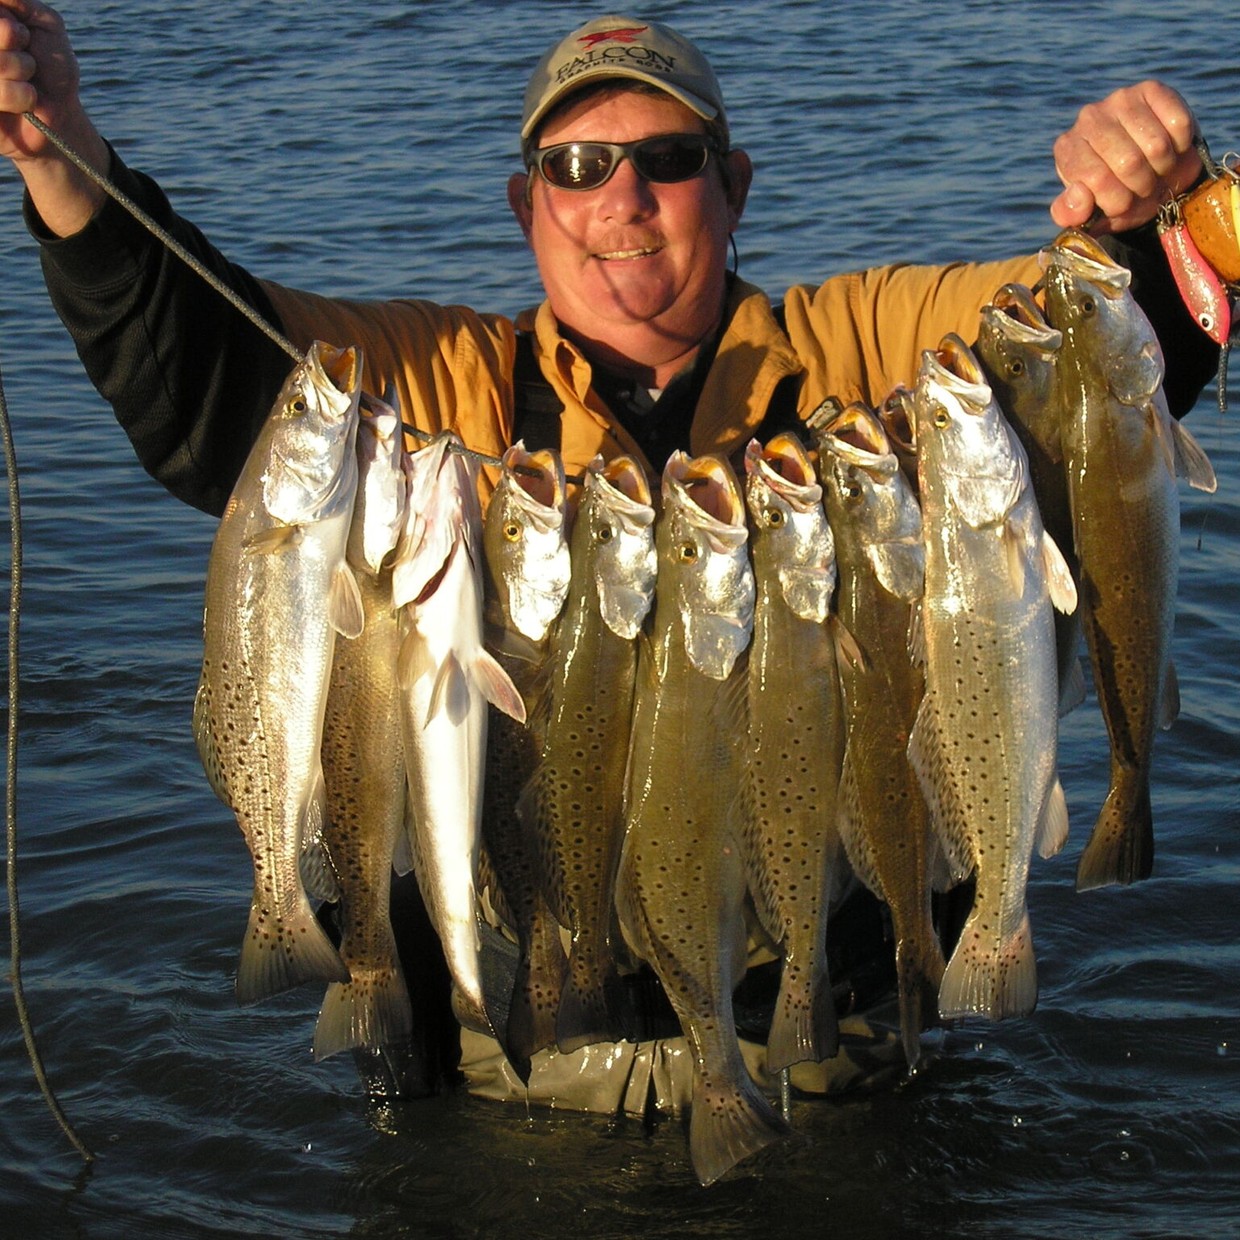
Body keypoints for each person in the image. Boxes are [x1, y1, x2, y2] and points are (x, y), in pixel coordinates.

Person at [0, 4, 1224, 1117]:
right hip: (507, 1056)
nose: (621, 198)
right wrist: (61, 157)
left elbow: (1099, 364)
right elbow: (206, 377)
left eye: (668, 161)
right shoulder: (430, 391)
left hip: (820, 1042)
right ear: (524, 202)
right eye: (576, 167)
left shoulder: (867, 352)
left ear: (733, 186)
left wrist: (1165, 202)